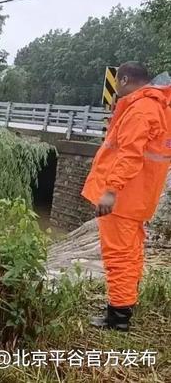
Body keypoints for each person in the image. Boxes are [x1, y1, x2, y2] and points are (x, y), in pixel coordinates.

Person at [82, 61, 171, 331]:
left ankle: (118, 318)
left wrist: (110, 191)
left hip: (122, 200)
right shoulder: (159, 107)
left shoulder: (141, 110)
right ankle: (124, 306)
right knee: (131, 254)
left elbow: (129, 156)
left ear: (123, 80)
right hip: (139, 198)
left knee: (118, 257)